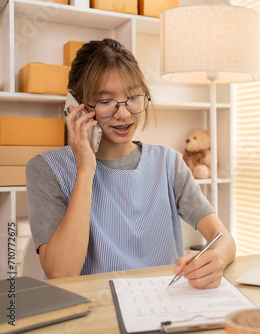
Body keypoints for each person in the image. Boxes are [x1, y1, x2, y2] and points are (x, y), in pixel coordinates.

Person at [25, 38, 235, 289]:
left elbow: (224, 239)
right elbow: (61, 272)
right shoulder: (46, 170)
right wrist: (85, 170)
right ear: (75, 108)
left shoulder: (168, 163)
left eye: (133, 96)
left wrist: (216, 259)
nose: (123, 113)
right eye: (105, 102)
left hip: (162, 309)